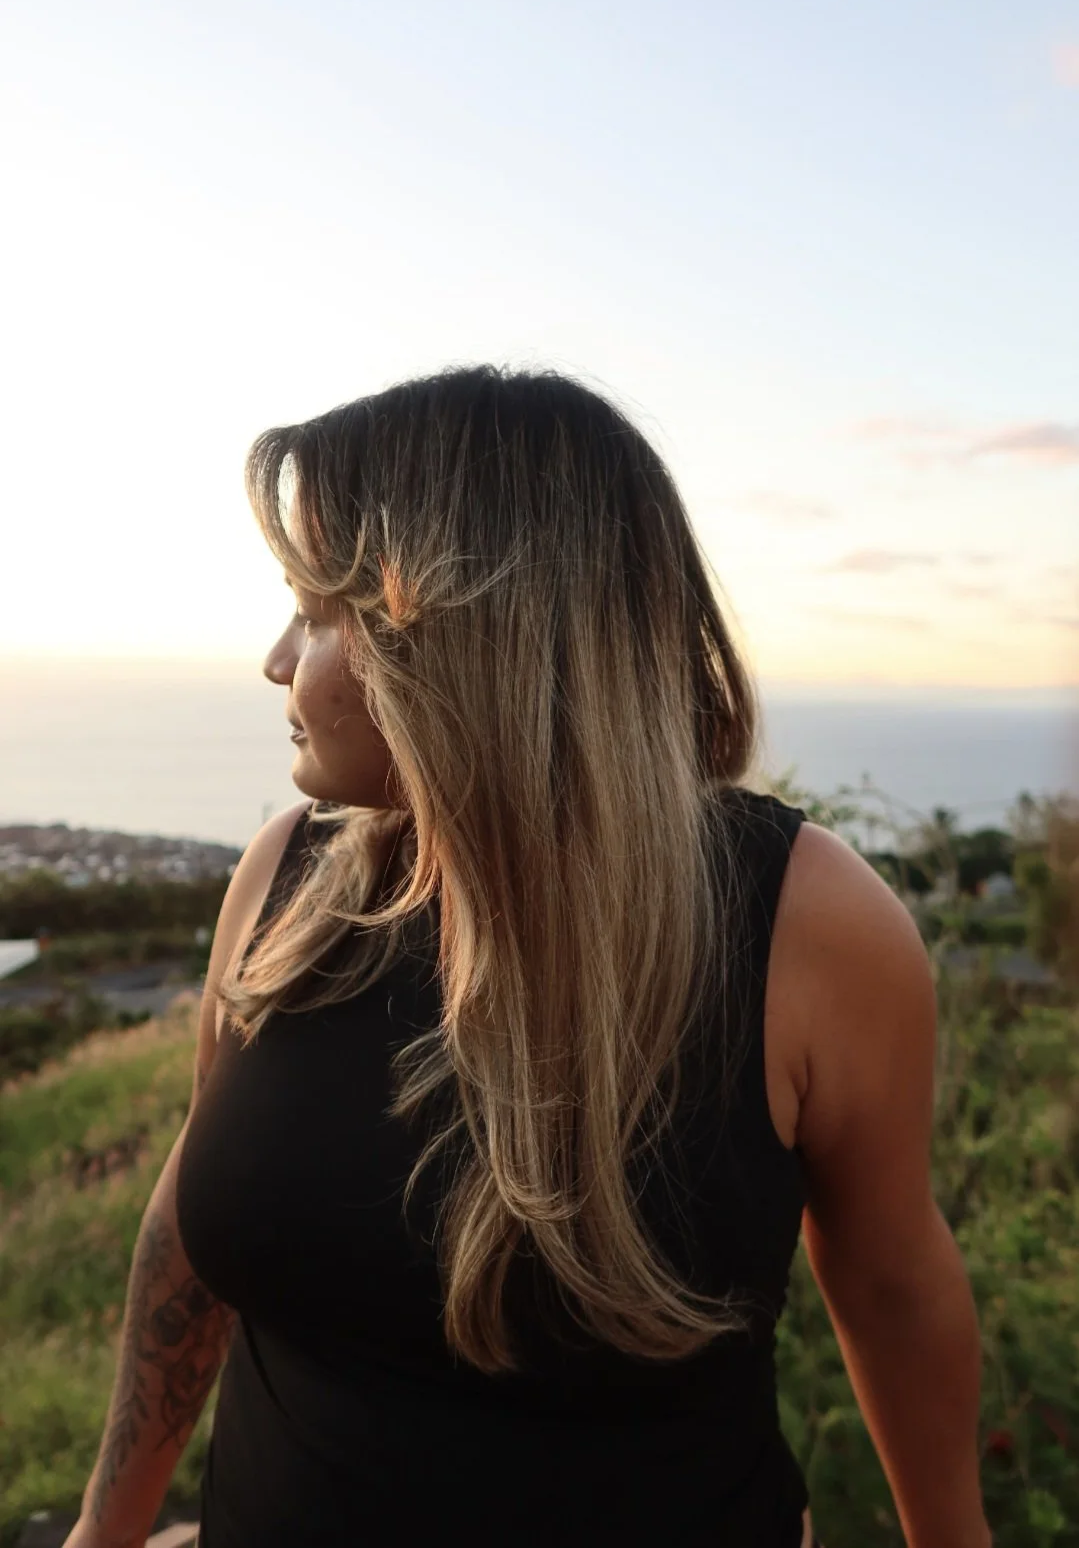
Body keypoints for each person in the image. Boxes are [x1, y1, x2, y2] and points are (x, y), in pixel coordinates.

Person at [64, 365, 992, 1548]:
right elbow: (188, 1231)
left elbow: (891, 1284)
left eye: (315, 610)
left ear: (451, 637)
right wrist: (107, 1524)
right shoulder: (286, 880)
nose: (274, 658)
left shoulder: (802, 925)